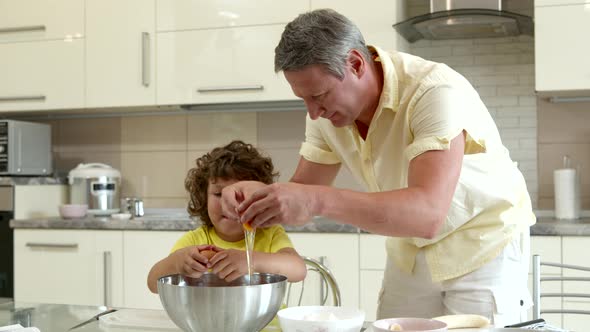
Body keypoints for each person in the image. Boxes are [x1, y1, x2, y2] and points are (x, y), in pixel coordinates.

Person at [220, 9, 536, 327]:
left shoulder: (434, 92)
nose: (313, 112)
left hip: (482, 244)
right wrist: (261, 198)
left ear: (355, 64)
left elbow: (427, 214)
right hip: (409, 250)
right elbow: (301, 195)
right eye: (303, 99)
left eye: (318, 95)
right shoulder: (325, 114)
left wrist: (316, 199)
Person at [147, 140, 307, 294]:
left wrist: (252, 261)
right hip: (209, 321)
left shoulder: (270, 234)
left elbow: (298, 270)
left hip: (265, 321)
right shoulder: (196, 241)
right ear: (204, 197)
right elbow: (153, 283)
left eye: (240, 194)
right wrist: (176, 262)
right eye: (218, 194)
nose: (228, 203)